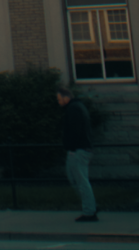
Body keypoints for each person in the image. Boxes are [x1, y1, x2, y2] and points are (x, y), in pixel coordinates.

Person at [57, 85, 98, 221]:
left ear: (66, 97)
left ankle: (89, 212)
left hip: (78, 150)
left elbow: (75, 131)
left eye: (59, 99)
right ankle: (90, 206)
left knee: (80, 181)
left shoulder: (73, 109)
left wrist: (73, 149)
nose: (59, 102)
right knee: (76, 179)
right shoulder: (77, 107)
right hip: (80, 149)